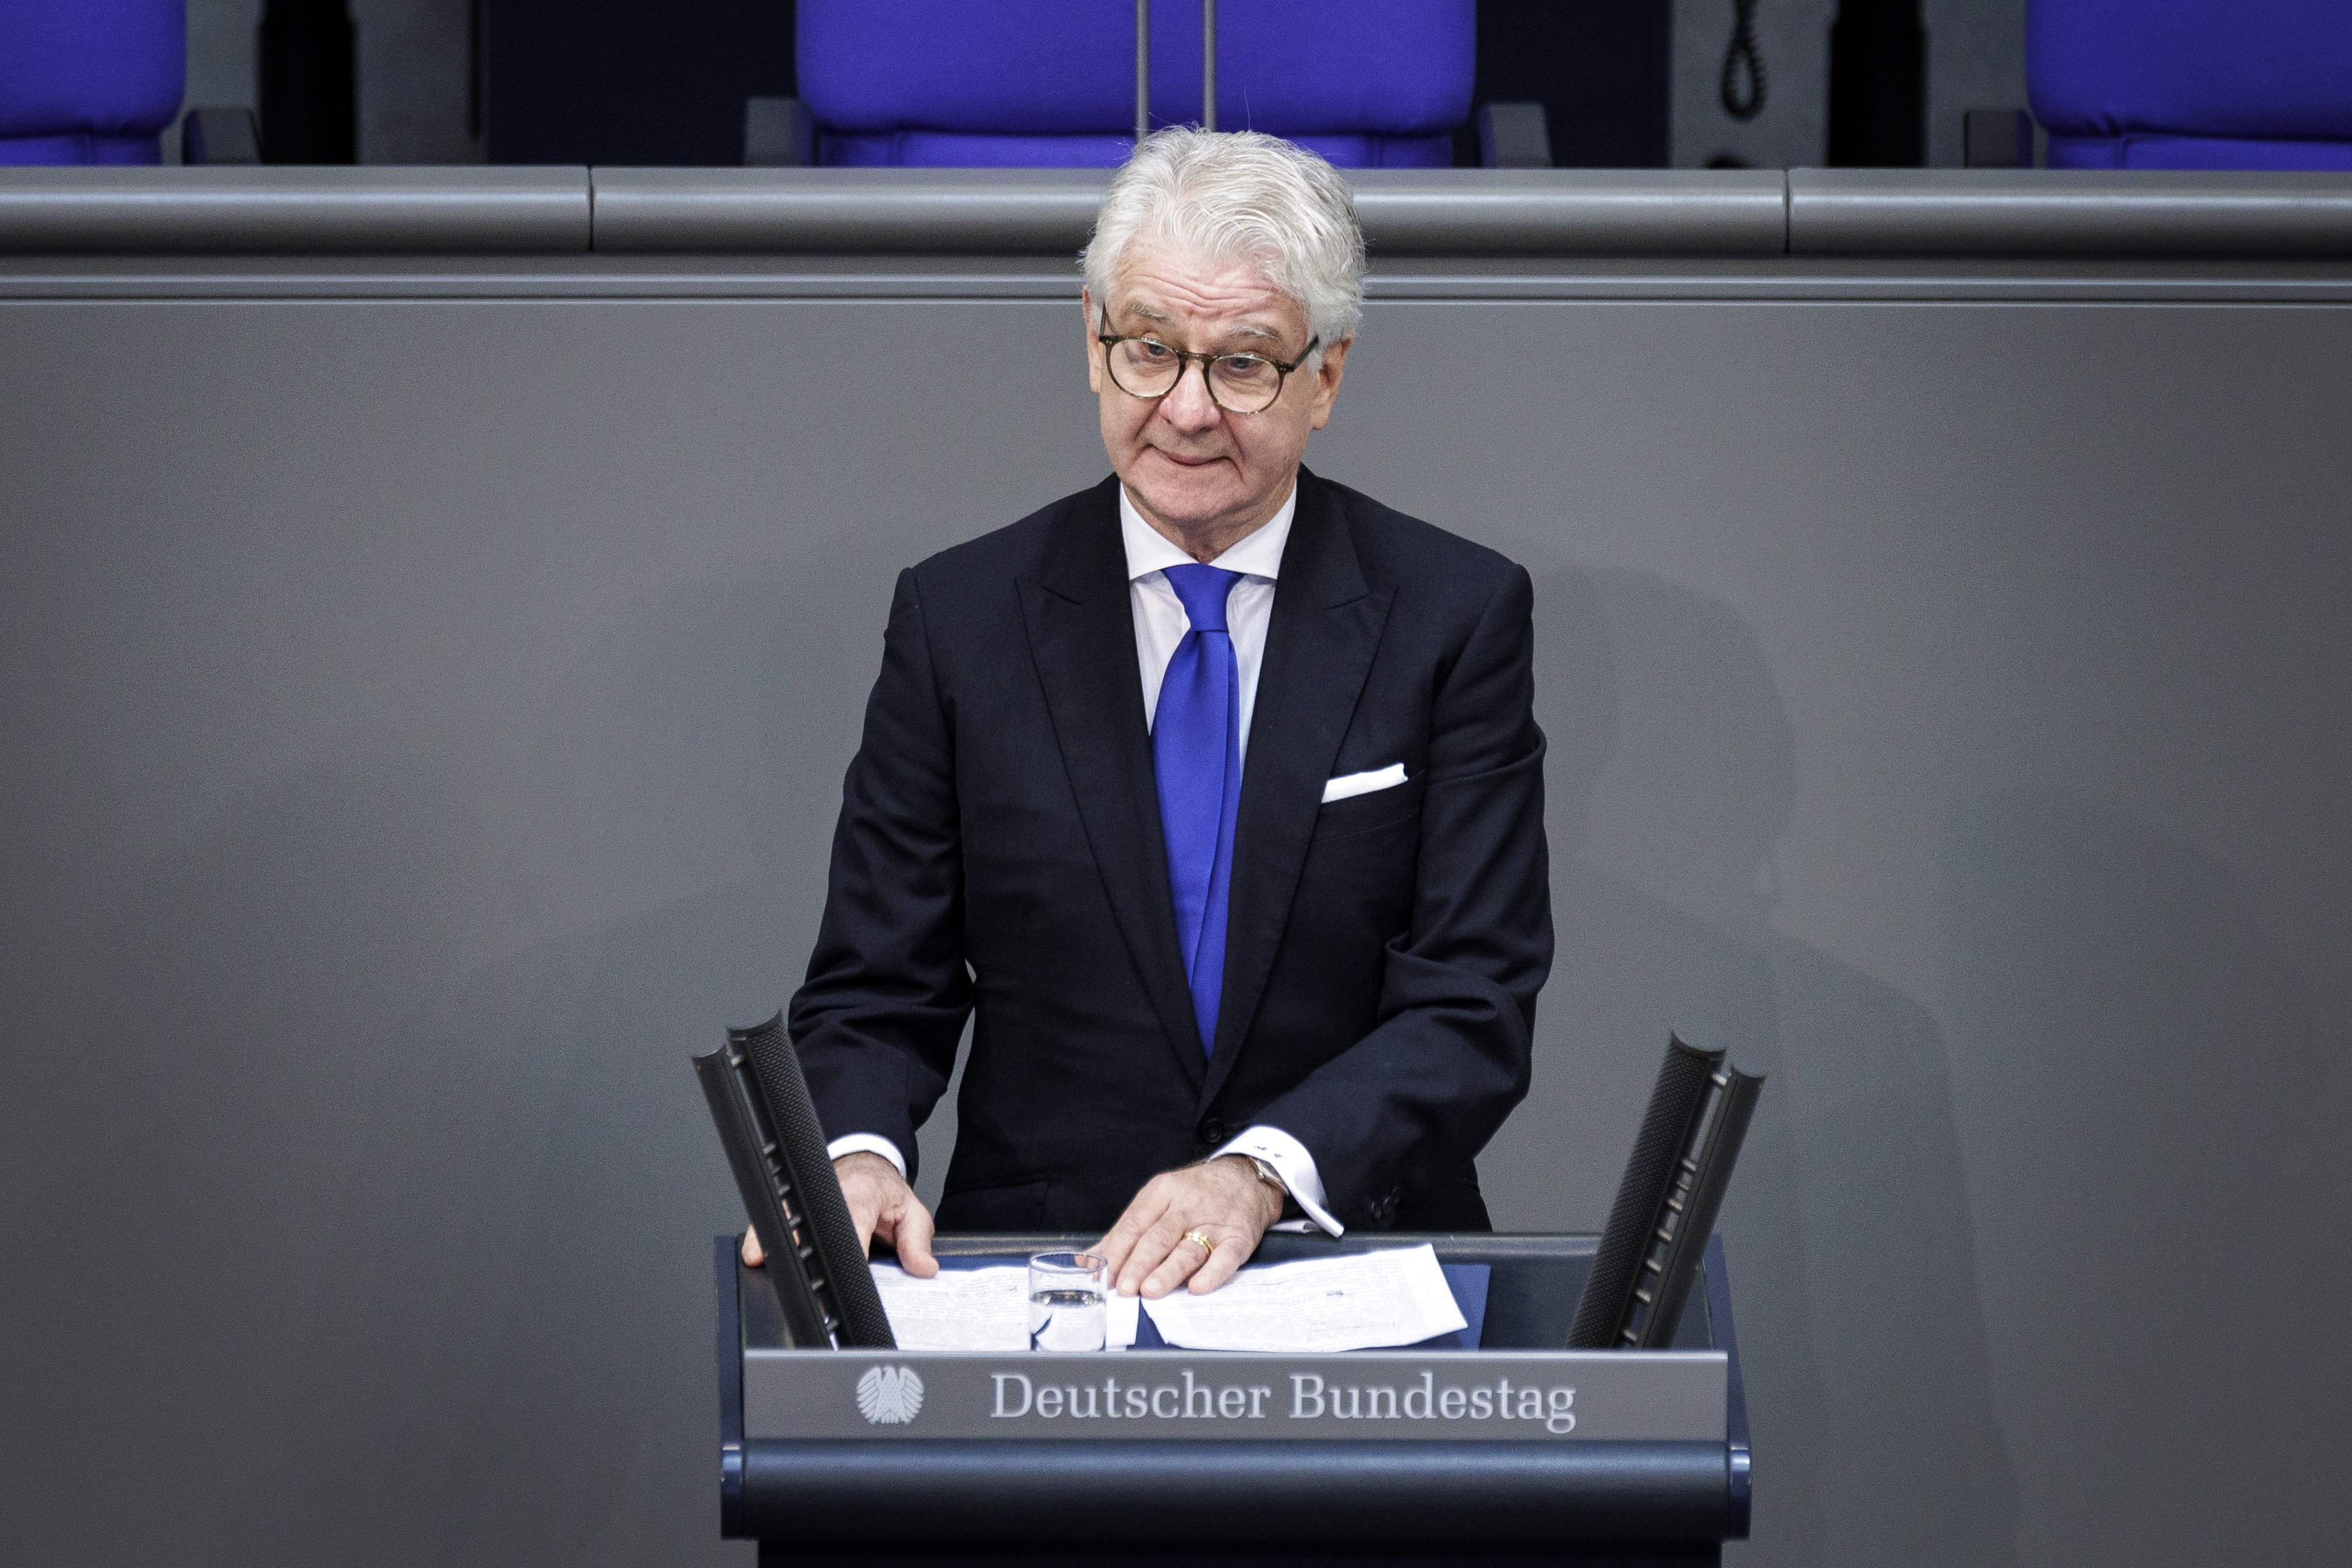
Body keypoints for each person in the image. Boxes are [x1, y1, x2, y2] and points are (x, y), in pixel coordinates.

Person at [748, 128, 1551, 1301]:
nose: (1184, 407)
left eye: (1242, 363)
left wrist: (1257, 1171)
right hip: (1037, 1274)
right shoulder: (960, 618)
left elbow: (1472, 1003)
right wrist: (855, 1156)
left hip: (1348, 1267)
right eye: (1149, 350)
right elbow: (877, 986)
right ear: (1092, 341)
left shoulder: (1453, 616)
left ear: (1325, 377)